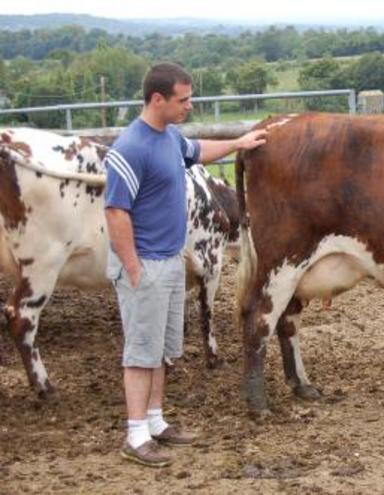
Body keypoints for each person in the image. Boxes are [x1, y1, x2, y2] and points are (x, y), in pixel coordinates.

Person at [104, 62, 267, 467]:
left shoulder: (170, 137)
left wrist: (240, 143)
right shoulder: (130, 148)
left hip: (170, 260)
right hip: (146, 264)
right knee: (141, 352)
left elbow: (198, 153)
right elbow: (115, 213)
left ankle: (157, 422)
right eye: (183, 99)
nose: (189, 106)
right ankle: (136, 434)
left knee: (161, 349)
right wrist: (133, 268)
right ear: (157, 99)